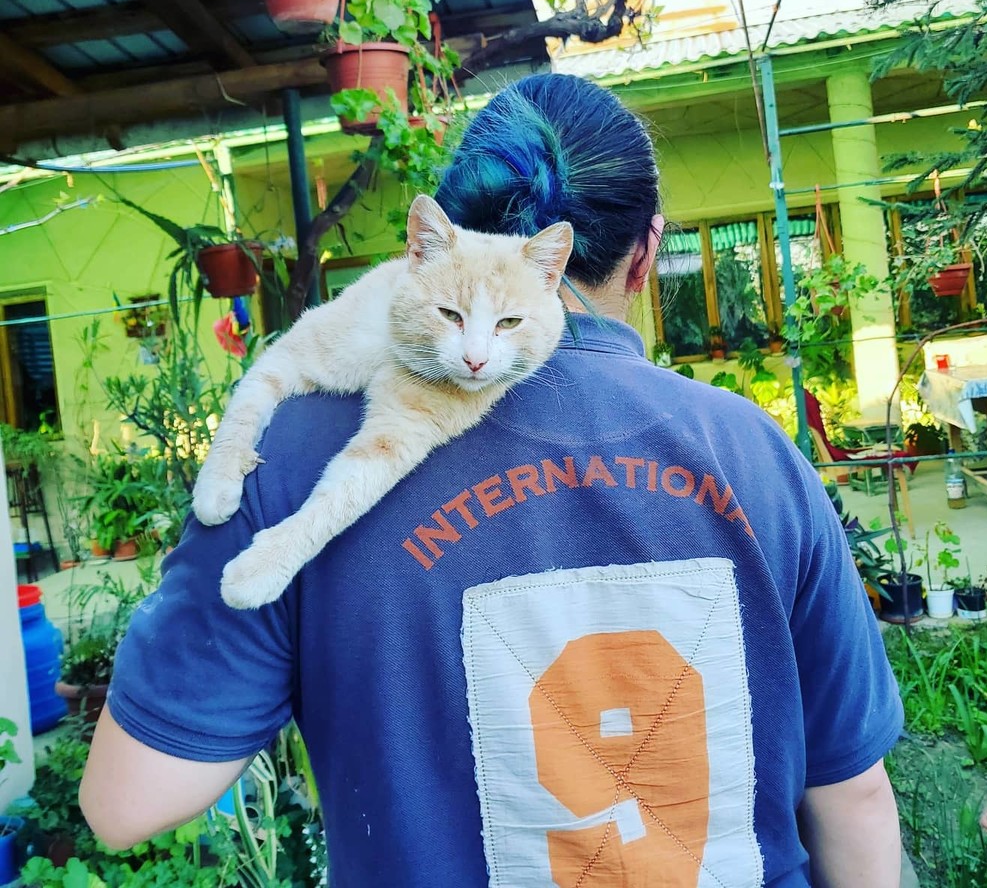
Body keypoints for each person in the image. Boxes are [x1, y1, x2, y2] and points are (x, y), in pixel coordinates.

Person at [81, 73, 903, 887]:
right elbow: (856, 798)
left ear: (446, 236)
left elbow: (126, 804)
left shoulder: (292, 452)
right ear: (647, 255)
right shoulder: (755, 453)